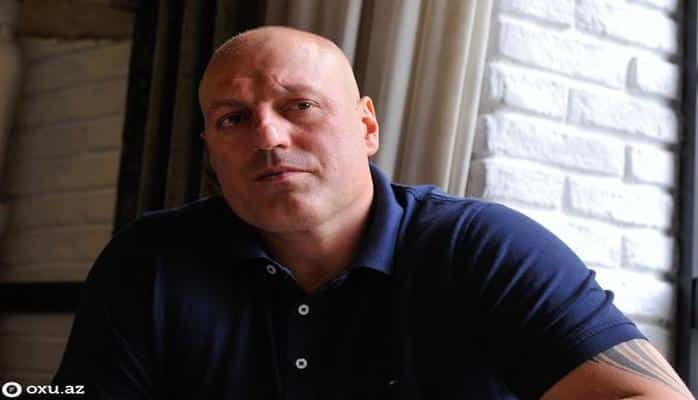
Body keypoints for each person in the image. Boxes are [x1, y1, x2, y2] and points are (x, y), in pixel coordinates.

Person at [52, 26, 694, 400]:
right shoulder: (150, 261)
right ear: (212, 153)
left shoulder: (482, 247)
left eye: (300, 106)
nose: (268, 136)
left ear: (366, 127)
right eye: (233, 119)